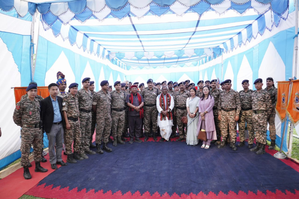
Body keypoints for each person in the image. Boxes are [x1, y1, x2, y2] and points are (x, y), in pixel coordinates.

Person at [13, 83, 48, 179]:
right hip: (27, 130)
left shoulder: (38, 101)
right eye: (31, 91)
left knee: (38, 148)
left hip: (37, 129)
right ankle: (26, 170)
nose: (33, 92)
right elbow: (16, 117)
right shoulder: (22, 103)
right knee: (25, 150)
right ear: (27, 92)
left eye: (35, 91)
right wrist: (24, 125)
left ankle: (37, 166)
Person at [40, 83, 67, 170]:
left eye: (56, 89)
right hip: (51, 126)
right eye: (53, 89)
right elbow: (42, 115)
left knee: (60, 144)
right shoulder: (44, 101)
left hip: (60, 125)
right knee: (51, 146)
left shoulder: (60, 99)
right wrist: (44, 127)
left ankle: (59, 159)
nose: (55, 91)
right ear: (49, 90)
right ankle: (53, 161)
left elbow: (62, 111)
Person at [250, 78, 272, 155]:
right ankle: (257, 145)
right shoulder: (253, 93)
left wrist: (266, 115)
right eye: (255, 84)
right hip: (255, 114)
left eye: (258, 84)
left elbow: (269, 106)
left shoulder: (265, 93)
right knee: (257, 131)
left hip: (262, 114)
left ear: (262, 84)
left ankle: (262, 148)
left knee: (262, 131)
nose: (257, 85)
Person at [62, 83, 83, 163]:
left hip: (76, 121)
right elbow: (64, 111)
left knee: (78, 138)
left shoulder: (76, 97)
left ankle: (75, 153)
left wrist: (78, 119)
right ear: (70, 89)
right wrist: (67, 123)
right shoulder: (66, 97)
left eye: (76, 88)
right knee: (69, 139)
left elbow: (77, 109)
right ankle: (69, 156)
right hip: (70, 121)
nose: (75, 90)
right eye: (73, 88)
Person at [217, 79, 241, 151]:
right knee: (223, 128)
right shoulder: (221, 93)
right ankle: (223, 141)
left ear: (230, 85)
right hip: (223, 112)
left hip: (232, 112)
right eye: (226, 84)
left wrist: (237, 115)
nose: (227, 85)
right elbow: (219, 104)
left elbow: (238, 104)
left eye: (228, 84)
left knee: (232, 128)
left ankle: (233, 142)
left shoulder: (235, 93)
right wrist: (219, 113)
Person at [92, 80, 113, 153]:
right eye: (106, 85)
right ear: (102, 86)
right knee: (100, 131)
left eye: (108, 85)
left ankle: (105, 144)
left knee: (107, 130)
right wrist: (98, 112)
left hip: (108, 115)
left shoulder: (109, 94)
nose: (107, 86)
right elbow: (94, 105)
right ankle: (98, 145)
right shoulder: (97, 94)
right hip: (100, 115)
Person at [78, 78, 96, 157]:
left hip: (89, 114)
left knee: (88, 131)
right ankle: (81, 151)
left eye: (88, 82)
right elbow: (77, 104)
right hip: (82, 114)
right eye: (85, 82)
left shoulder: (89, 92)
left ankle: (87, 148)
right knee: (82, 133)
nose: (87, 84)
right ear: (82, 83)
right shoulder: (79, 92)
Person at [238, 80, 254, 148]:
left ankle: (250, 142)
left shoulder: (252, 92)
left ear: (248, 84)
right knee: (241, 127)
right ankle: (242, 140)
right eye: (243, 84)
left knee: (250, 127)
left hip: (249, 111)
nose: (245, 85)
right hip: (242, 111)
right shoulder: (240, 93)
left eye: (246, 84)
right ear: (242, 85)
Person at [111, 81, 126, 146]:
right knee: (114, 126)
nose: (118, 86)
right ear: (114, 86)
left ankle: (119, 138)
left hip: (122, 111)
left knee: (121, 126)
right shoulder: (112, 93)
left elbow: (125, 102)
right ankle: (115, 139)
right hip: (115, 112)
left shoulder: (123, 93)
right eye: (116, 85)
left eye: (119, 85)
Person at [265, 77, 277, 150]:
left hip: (272, 111)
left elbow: (277, 101)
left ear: (272, 82)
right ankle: (263, 141)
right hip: (264, 111)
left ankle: (273, 142)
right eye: (267, 81)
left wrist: (271, 107)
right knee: (263, 126)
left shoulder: (275, 90)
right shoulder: (264, 90)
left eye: (269, 81)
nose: (268, 82)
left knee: (271, 126)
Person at [210, 79, 221, 145]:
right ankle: (214, 138)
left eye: (214, 83)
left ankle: (219, 139)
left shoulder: (219, 91)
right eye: (212, 83)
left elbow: (220, 101)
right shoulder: (209, 92)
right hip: (210, 111)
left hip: (217, 110)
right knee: (212, 125)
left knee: (218, 125)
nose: (213, 84)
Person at [89, 81, 96, 148]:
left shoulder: (95, 94)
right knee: (86, 130)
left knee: (92, 129)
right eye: (91, 85)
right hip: (86, 114)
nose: (92, 86)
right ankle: (86, 145)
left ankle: (90, 142)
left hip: (94, 114)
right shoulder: (84, 93)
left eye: (93, 85)